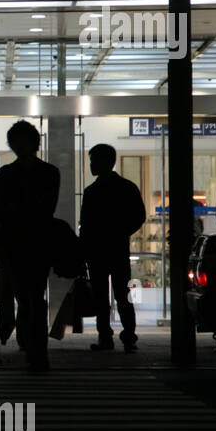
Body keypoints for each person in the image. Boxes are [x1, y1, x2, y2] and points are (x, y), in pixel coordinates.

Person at [0, 120, 60, 373]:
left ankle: (31, 345)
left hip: (14, 243)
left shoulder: (5, 175)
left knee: (24, 296)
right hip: (40, 242)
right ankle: (36, 349)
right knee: (34, 296)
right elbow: (47, 209)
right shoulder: (50, 173)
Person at [79, 143, 146, 353]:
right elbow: (139, 216)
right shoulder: (127, 188)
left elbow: (86, 226)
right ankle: (128, 337)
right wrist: (121, 232)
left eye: (93, 160)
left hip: (97, 252)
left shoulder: (91, 192)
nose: (91, 165)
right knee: (122, 295)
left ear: (106, 162)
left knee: (101, 296)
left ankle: (105, 337)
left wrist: (84, 250)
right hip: (118, 250)